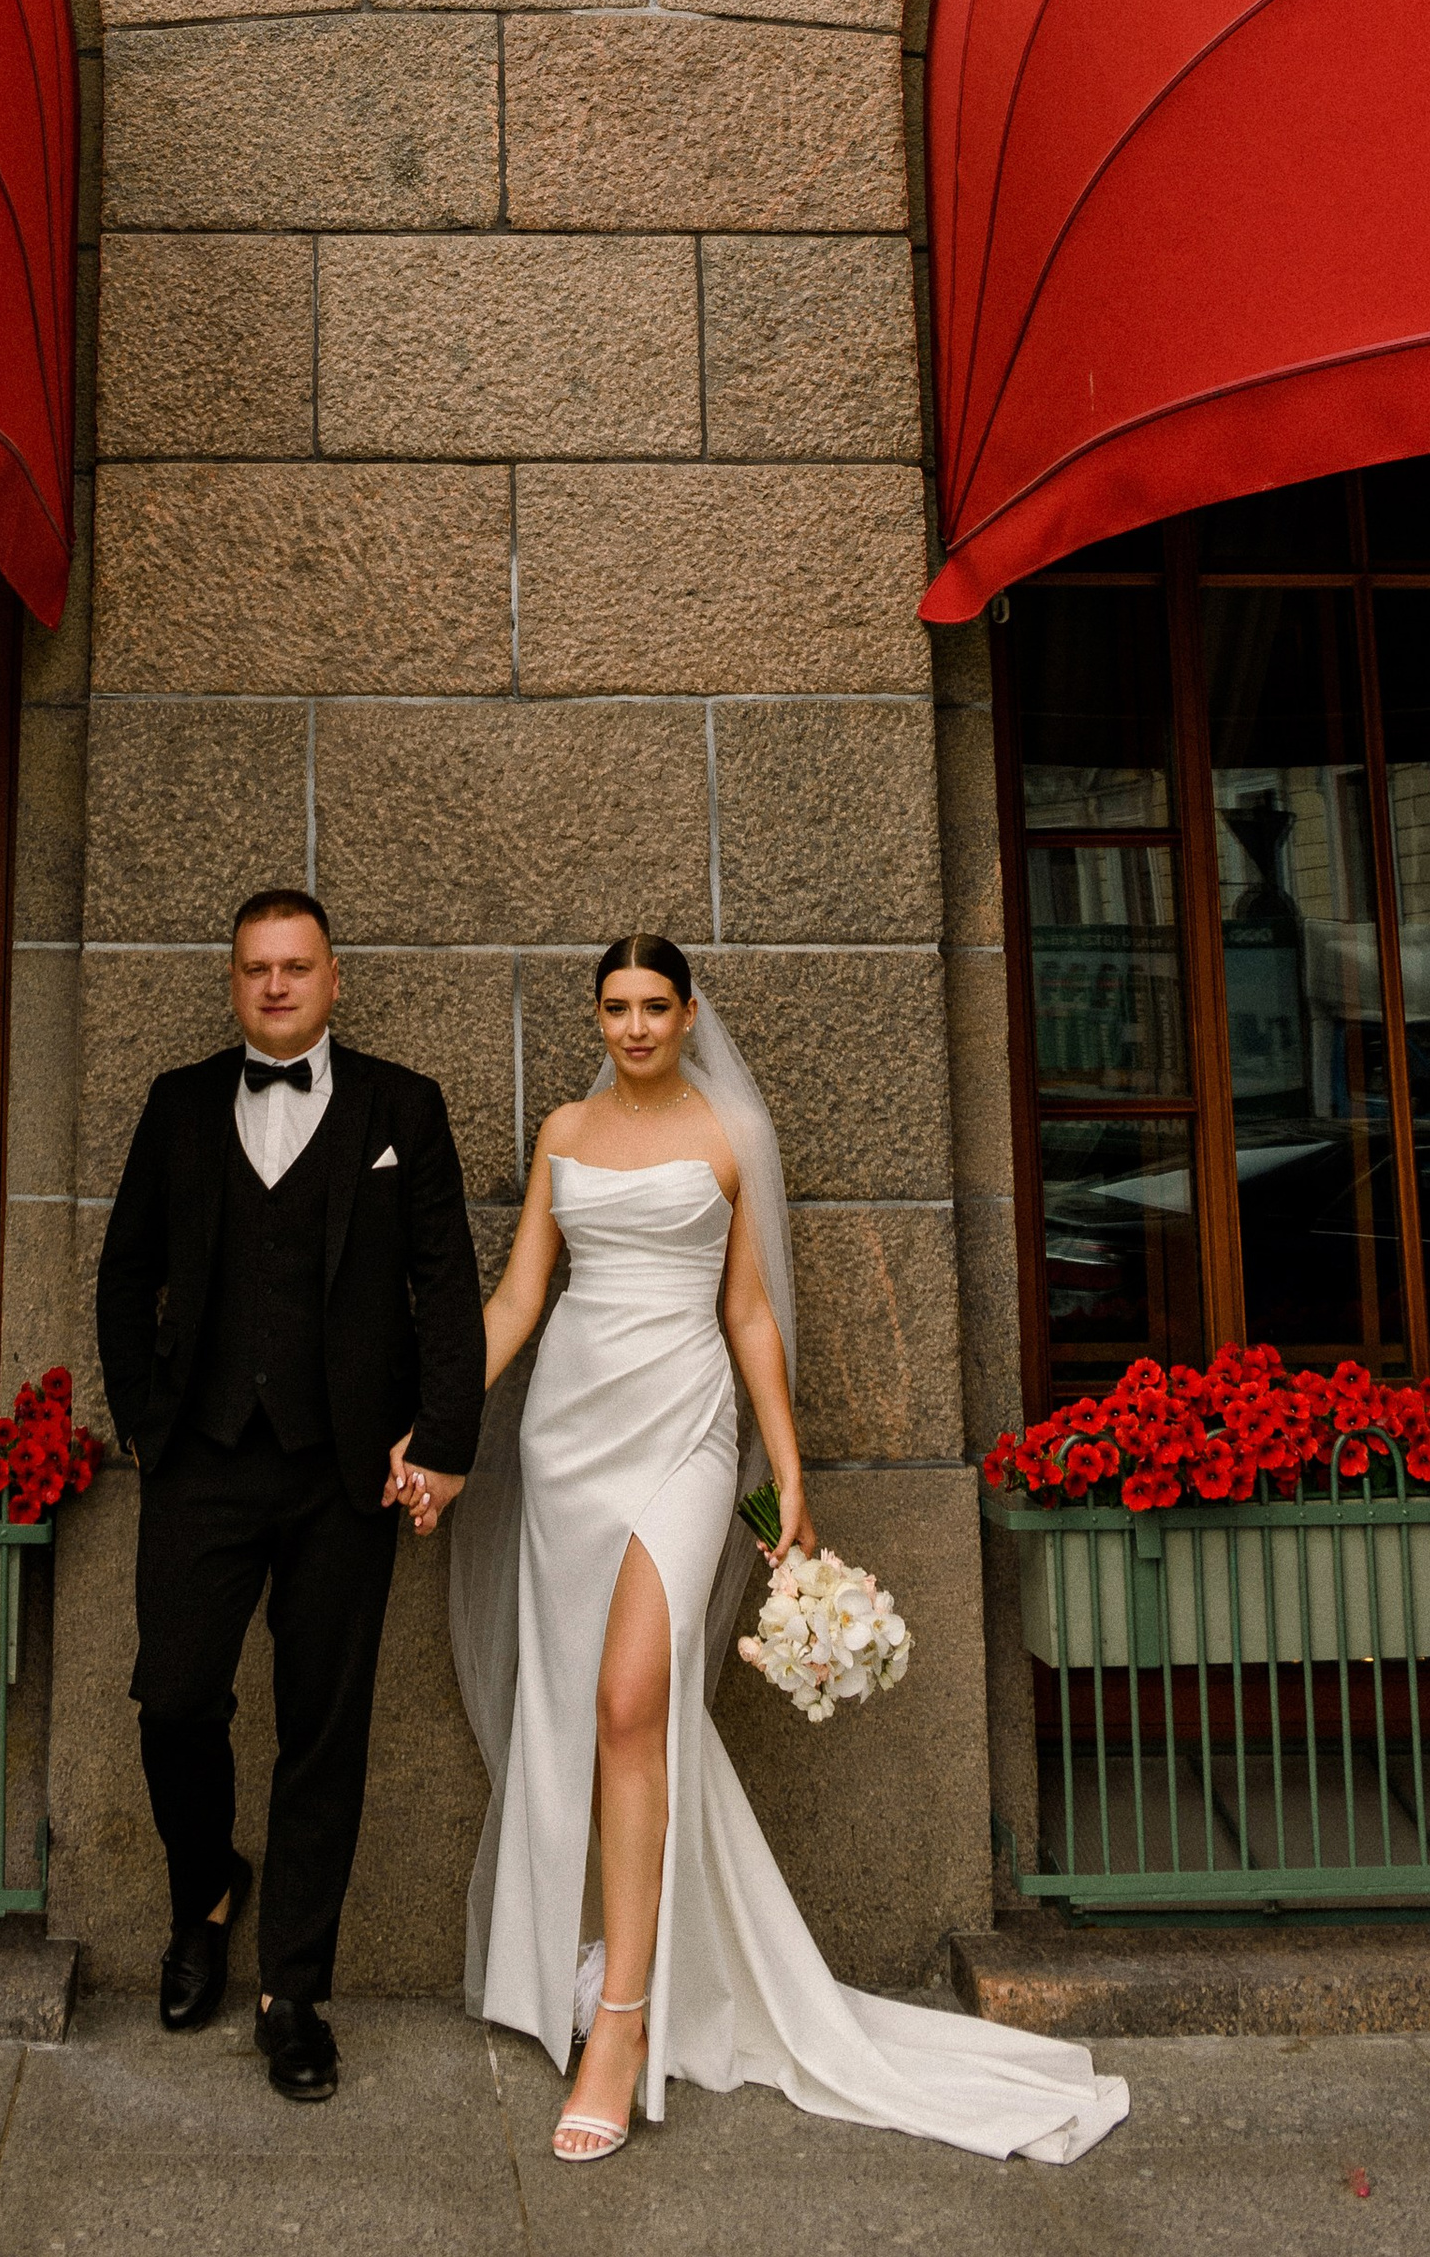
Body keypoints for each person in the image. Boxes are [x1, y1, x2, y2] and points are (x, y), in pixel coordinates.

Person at [439, 934, 1128, 2167]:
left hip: (684, 1434)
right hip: (566, 1436)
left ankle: (622, 2021)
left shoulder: (730, 1132)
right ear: (595, 1015)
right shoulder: (563, 1131)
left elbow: (749, 1310)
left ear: (688, 1012)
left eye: (656, 1005)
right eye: (616, 1006)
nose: (635, 1025)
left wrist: (788, 1470)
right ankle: (595, 1953)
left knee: (630, 1700)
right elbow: (517, 1300)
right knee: (579, 1707)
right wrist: (437, 1425)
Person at [96, 887, 483, 2102]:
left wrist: (444, 1441)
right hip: (201, 1461)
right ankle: (206, 1887)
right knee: (173, 1699)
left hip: (342, 1468)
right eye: (256, 967)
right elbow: (124, 1274)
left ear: (332, 979)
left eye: (296, 966)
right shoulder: (175, 1104)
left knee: (324, 1727)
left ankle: (292, 1991)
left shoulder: (402, 1107)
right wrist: (149, 1424)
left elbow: (445, 1286)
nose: (275, 984)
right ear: (233, 981)